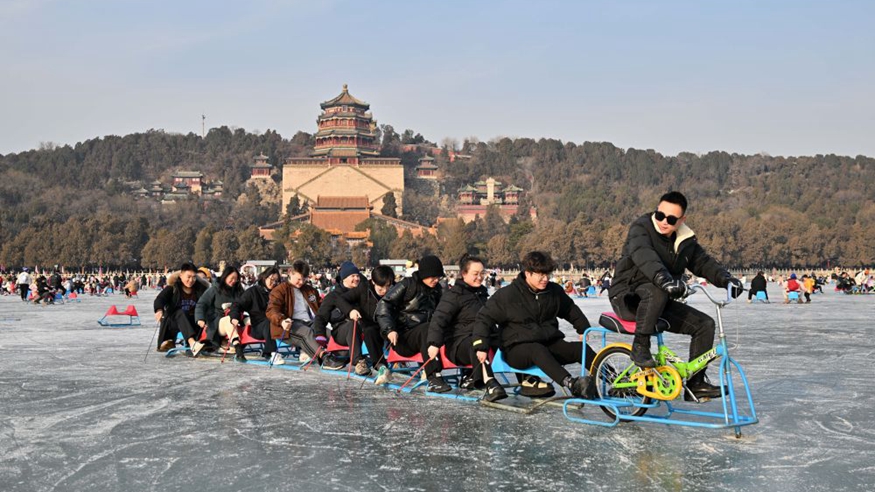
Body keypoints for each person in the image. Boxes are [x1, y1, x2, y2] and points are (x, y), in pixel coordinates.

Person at [609, 191, 742, 401]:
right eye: (660, 215)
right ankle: (640, 345)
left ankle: (696, 384)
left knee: (704, 325)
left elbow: (703, 263)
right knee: (656, 290)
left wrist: (727, 280)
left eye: (671, 219)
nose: (664, 222)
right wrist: (664, 280)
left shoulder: (685, 240)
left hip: (660, 300)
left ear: (682, 220)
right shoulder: (641, 229)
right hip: (627, 297)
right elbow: (645, 256)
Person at [471, 251, 598, 399]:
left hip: (548, 342)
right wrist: (481, 345)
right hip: (517, 349)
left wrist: (583, 328)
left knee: (580, 349)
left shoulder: (553, 291)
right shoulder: (507, 295)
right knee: (537, 349)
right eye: (541, 275)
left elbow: (569, 309)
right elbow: (484, 318)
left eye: (547, 274)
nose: (545, 279)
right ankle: (571, 383)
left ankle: (615, 380)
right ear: (528, 273)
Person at [427, 255, 507, 402]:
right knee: (476, 343)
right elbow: (439, 319)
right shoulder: (454, 295)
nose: (480, 277)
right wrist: (434, 343)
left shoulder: (482, 293)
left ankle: (528, 380)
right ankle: (490, 383)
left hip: (484, 336)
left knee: (511, 339)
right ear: (464, 273)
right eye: (475, 274)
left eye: (482, 273)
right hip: (460, 344)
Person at [375, 255, 448, 393]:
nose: (436, 280)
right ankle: (434, 377)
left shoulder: (437, 290)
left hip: (427, 338)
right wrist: (389, 329)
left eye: (439, 277)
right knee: (427, 329)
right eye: (433, 277)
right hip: (404, 338)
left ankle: (472, 376)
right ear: (424, 274)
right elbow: (384, 305)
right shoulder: (407, 285)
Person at [312, 261, 366, 373]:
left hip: (363, 329)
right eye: (353, 276)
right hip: (341, 332)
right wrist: (320, 334)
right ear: (344, 278)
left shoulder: (362, 292)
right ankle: (358, 362)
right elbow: (321, 316)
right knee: (352, 324)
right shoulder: (333, 296)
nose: (356, 279)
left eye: (357, 276)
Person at [266, 260, 323, 365]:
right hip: (289, 325)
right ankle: (323, 357)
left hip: (309, 322)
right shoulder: (280, 290)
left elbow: (322, 306)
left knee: (326, 331)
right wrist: (282, 321)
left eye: (304, 279)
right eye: (299, 279)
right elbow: (272, 310)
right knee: (307, 332)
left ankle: (339, 355)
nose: (301, 282)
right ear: (290, 273)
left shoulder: (310, 291)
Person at [154, 262, 211, 354]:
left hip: (193, 321)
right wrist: (159, 310)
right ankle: (192, 343)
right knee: (180, 312)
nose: (191, 280)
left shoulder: (200, 289)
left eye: (194, 277)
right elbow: (160, 299)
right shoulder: (173, 288)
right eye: (188, 277)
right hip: (173, 322)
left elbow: (207, 304)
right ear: (181, 276)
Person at [229, 267, 281, 362]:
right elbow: (237, 304)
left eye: (276, 281)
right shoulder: (253, 292)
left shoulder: (277, 293)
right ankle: (272, 353)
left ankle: (303, 351)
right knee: (268, 322)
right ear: (265, 277)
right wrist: (235, 317)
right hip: (257, 327)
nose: (273, 283)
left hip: (276, 325)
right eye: (272, 279)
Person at [195, 266, 245, 359]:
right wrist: (200, 318)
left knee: (246, 320)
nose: (234, 281)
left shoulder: (239, 291)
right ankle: (236, 344)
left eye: (236, 279)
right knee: (228, 320)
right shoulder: (214, 289)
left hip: (237, 319)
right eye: (232, 278)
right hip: (218, 322)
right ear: (225, 276)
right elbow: (202, 304)